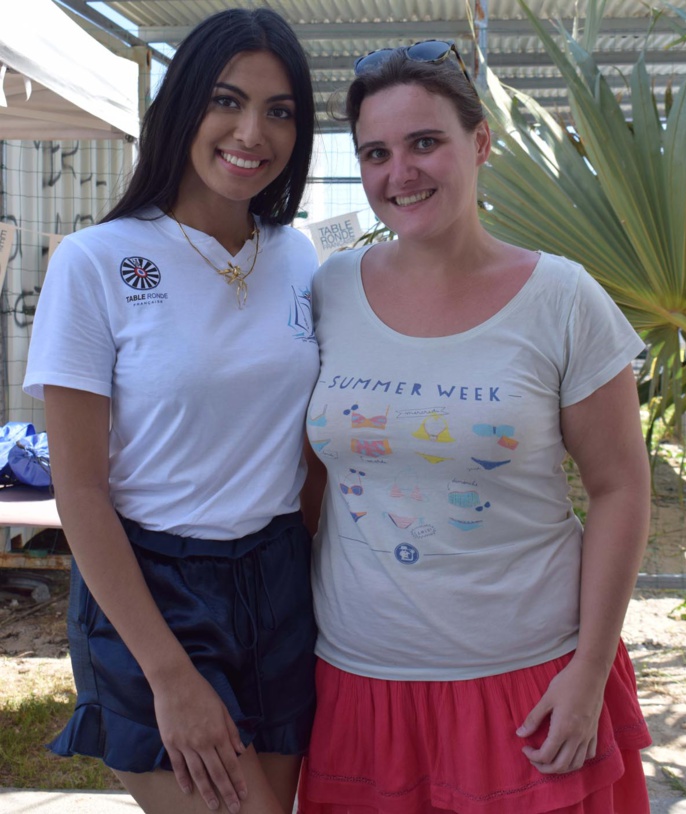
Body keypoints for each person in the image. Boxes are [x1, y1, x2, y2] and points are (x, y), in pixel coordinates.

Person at [298, 41, 652, 814]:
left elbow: (620, 488)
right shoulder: (326, 291)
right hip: (359, 686)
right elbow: (311, 477)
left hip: (529, 683)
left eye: (425, 142)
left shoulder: (561, 296)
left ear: (479, 142)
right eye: (376, 153)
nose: (401, 173)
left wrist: (589, 670)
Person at [23, 8, 319, 814]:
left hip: (278, 580)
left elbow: (311, 442)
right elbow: (79, 492)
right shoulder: (96, 262)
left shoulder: (297, 256)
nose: (251, 131)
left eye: (279, 110)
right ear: (182, 106)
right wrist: (168, 674)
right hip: (152, 588)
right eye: (227, 100)